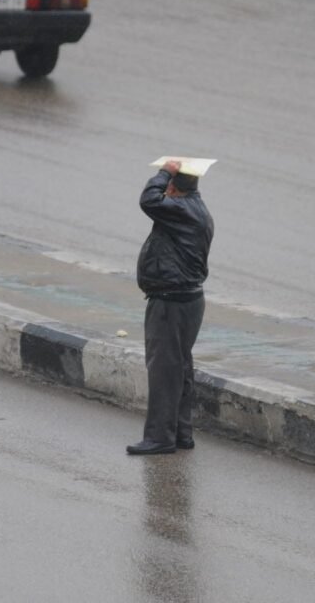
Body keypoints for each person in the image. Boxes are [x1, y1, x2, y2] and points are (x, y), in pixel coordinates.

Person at [127, 160, 214, 455]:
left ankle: (160, 438)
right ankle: (180, 432)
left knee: (164, 370)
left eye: (168, 184)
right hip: (187, 301)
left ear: (173, 187)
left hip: (171, 302)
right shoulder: (195, 208)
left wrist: (164, 172)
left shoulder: (179, 209)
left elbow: (148, 199)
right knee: (179, 368)